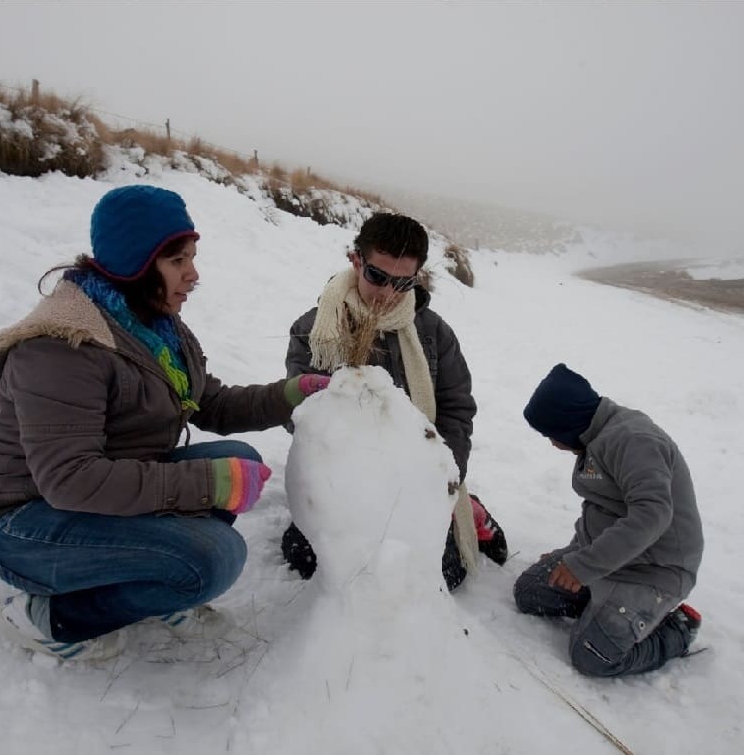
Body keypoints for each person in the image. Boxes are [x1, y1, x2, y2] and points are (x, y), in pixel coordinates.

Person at [0, 184, 329, 661]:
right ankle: (48, 619)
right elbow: (70, 479)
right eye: (178, 260)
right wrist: (206, 482)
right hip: (25, 522)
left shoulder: (149, 323)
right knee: (212, 559)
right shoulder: (62, 344)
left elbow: (211, 403)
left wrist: (291, 394)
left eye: (191, 257)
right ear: (138, 262)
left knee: (237, 459)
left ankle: (148, 586)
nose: (193, 274)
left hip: (90, 498)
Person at [279, 212, 507, 590]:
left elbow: (456, 410)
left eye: (403, 282)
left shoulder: (435, 334)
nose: (387, 293)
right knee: (311, 560)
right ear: (356, 261)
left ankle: (468, 509)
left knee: (444, 573)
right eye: (377, 277)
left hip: (417, 478)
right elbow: (297, 415)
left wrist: (444, 476)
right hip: (345, 477)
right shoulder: (315, 329)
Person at [513, 363, 704, 677]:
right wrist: (577, 553)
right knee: (530, 592)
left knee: (593, 656)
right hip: (615, 560)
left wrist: (583, 566)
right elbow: (602, 507)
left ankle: (676, 629)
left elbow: (652, 514)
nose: (551, 443)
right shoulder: (593, 439)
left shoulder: (634, 441)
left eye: (550, 434)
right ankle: (604, 608)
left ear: (566, 424)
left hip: (654, 570)